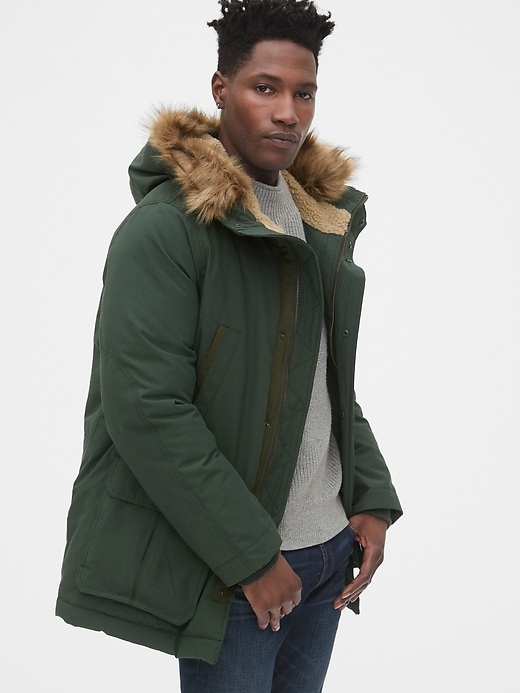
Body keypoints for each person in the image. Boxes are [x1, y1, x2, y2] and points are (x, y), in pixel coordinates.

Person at [56, 1, 402, 691]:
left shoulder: (315, 219)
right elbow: (148, 410)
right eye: (264, 88)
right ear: (221, 89)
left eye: (303, 93)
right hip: (243, 574)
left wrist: (369, 494)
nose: (288, 113)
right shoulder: (164, 232)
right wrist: (252, 557)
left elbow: (326, 377)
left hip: (329, 553)